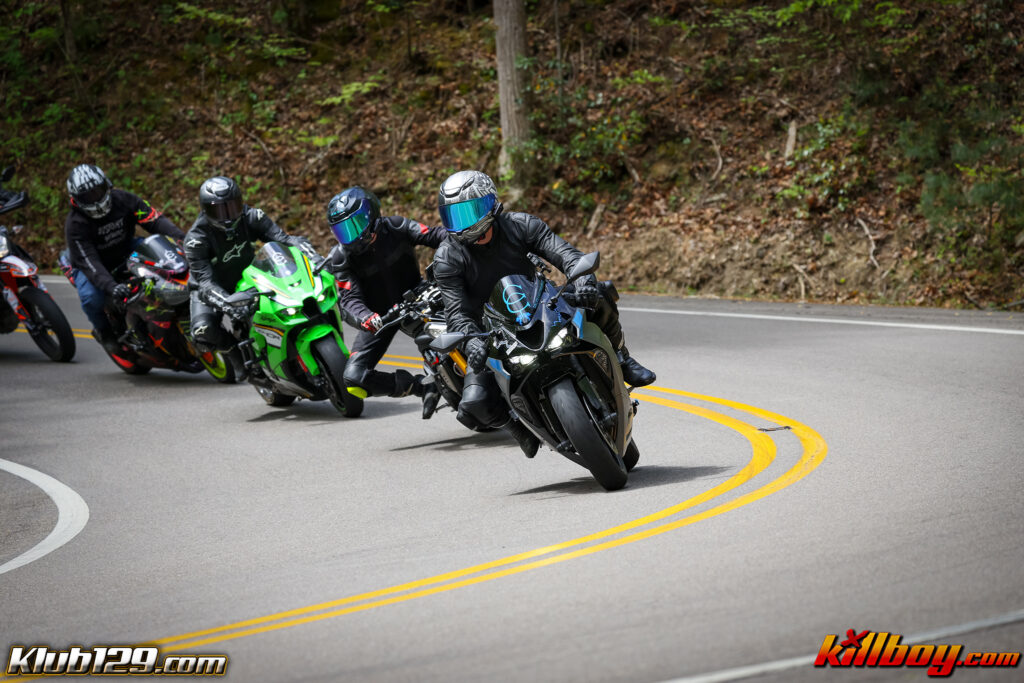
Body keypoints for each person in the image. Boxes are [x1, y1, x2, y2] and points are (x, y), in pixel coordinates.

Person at [431, 170, 656, 457]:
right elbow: (456, 312)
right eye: (454, 216)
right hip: (492, 330)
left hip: (542, 304)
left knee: (601, 293)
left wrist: (584, 282)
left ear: (490, 203)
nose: (462, 223)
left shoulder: (521, 225)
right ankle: (519, 428)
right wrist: (472, 341)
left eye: (468, 212)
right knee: (474, 404)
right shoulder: (447, 257)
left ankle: (622, 358)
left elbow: (567, 255)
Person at [324, 186, 446, 416]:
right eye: (343, 231)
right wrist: (366, 317)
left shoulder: (397, 226)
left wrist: (457, 246)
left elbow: (435, 235)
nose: (350, 236)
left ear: (371, 215)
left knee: (464, 320)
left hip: (418, 296)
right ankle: (422, 386)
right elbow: (348, 299)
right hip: (380, 317)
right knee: (353, 378)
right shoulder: (341, 257)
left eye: (354, 225)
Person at [183, 176, 322, 353]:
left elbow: (284, 240)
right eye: (219, 211)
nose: (228, 216)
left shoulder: (252, 216)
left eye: (232, 206)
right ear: (205, 211)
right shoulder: (196, 240)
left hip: (251, 278)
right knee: (203, 330)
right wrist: (229, 305)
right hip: (213, 288)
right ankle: (235, 353)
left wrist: (314, 257)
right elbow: (205, 283)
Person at [64, 164, 185, 350]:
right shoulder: (75, 225)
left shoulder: (125, 199)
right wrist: (111, 286)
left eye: (97, 191)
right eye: (87, 196)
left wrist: (185, 241)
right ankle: (104, 331)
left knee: (163, 252)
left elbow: (155, 221)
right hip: (92, 265)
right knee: (91, 298)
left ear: (107, 185)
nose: (95, 198)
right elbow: (90, 262)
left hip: (126, 248)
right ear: (76, 200)